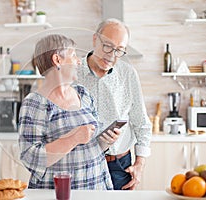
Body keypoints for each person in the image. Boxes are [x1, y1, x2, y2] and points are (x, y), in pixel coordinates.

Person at [18, 34, 120, 190]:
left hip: (97, 188)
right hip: (60, 193)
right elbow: (31, 158)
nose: (79, 61)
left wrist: (106, 140)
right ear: (57, 60)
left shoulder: (83, 94)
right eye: (73, 55)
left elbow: (92, 144)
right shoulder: (35, 103)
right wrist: (72, 138)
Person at [76, 18, 152, 190]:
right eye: (107, 46)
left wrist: (139, 164)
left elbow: (141, 122)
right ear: (95, 39)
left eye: (119, 50)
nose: (111, 55)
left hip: (119, 166)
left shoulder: (127, 73)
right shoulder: (73, 70)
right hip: (80, 165)